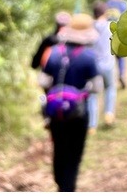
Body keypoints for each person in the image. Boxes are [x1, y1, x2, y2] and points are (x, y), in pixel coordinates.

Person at [40, 13, 100, 192]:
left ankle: (60, 183)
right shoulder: (89, 57)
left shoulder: (54, 53)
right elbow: (97, 86)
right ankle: (68, 187)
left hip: (56, 112)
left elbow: (42, 81)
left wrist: (55, 92)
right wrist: (83, 90)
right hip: (79, 113)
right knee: (75, 154)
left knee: (59, 149)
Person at [88, 1, 118, 129]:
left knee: (92, 94)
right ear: (104, 13)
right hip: (108, 63)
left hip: (94, 65)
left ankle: (92, 124)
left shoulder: (90, 28)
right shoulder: (110, 26)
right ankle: (108, 114)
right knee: (110, 88)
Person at [106, 0, 127, 88]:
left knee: (109, 57)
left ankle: (110, 78)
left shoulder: (106, 4)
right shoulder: (123, 4)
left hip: (107, 34)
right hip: (120, 34)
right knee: (121, 57)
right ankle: (122, 74)